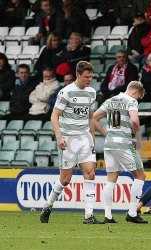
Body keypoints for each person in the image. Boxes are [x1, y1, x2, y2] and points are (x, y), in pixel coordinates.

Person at [40, 61, 100, 224]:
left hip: (84, 137)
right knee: (65, 179)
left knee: (90, 173)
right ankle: (48, 205)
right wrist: (59, 136)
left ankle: (89, 216)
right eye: (86, 77)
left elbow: (90, 117)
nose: (89, 79)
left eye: (91, 77)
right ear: (78, 75)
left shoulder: (91, 93)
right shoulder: (66, 92)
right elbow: (54, 116)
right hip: (68, 139)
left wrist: (92, 138)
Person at [93, 81, 148, 224]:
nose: (138, 100)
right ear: (136, 92)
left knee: (111, 177)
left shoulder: (110, 100)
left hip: (109, 143)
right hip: (124, 143)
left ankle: (108, 215)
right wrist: (136, 133)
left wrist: (105, 132)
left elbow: (93, 117)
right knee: (140, 175)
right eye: (139, 97)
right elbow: (135, 120)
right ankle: (132, 212)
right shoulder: (131, 101)